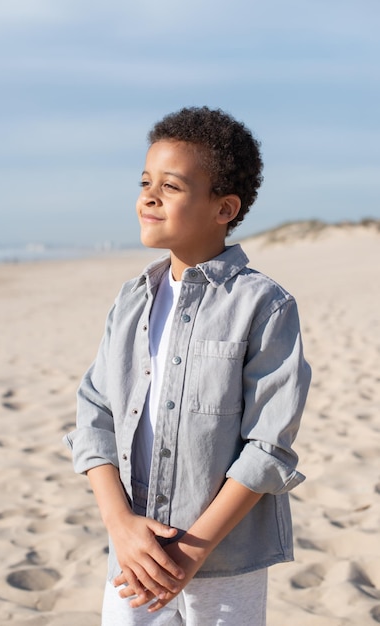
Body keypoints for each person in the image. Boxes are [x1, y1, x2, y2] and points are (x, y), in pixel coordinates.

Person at [63, 106, 311, 625]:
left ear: (224, 208)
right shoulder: (131, 301)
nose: (148, 197)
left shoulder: (264, 306)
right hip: (134, 553)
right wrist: (121, 525)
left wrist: (192, 551)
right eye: (145, 181)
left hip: (224, 561)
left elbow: (267, 445)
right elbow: (94, 414)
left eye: (171, 187)